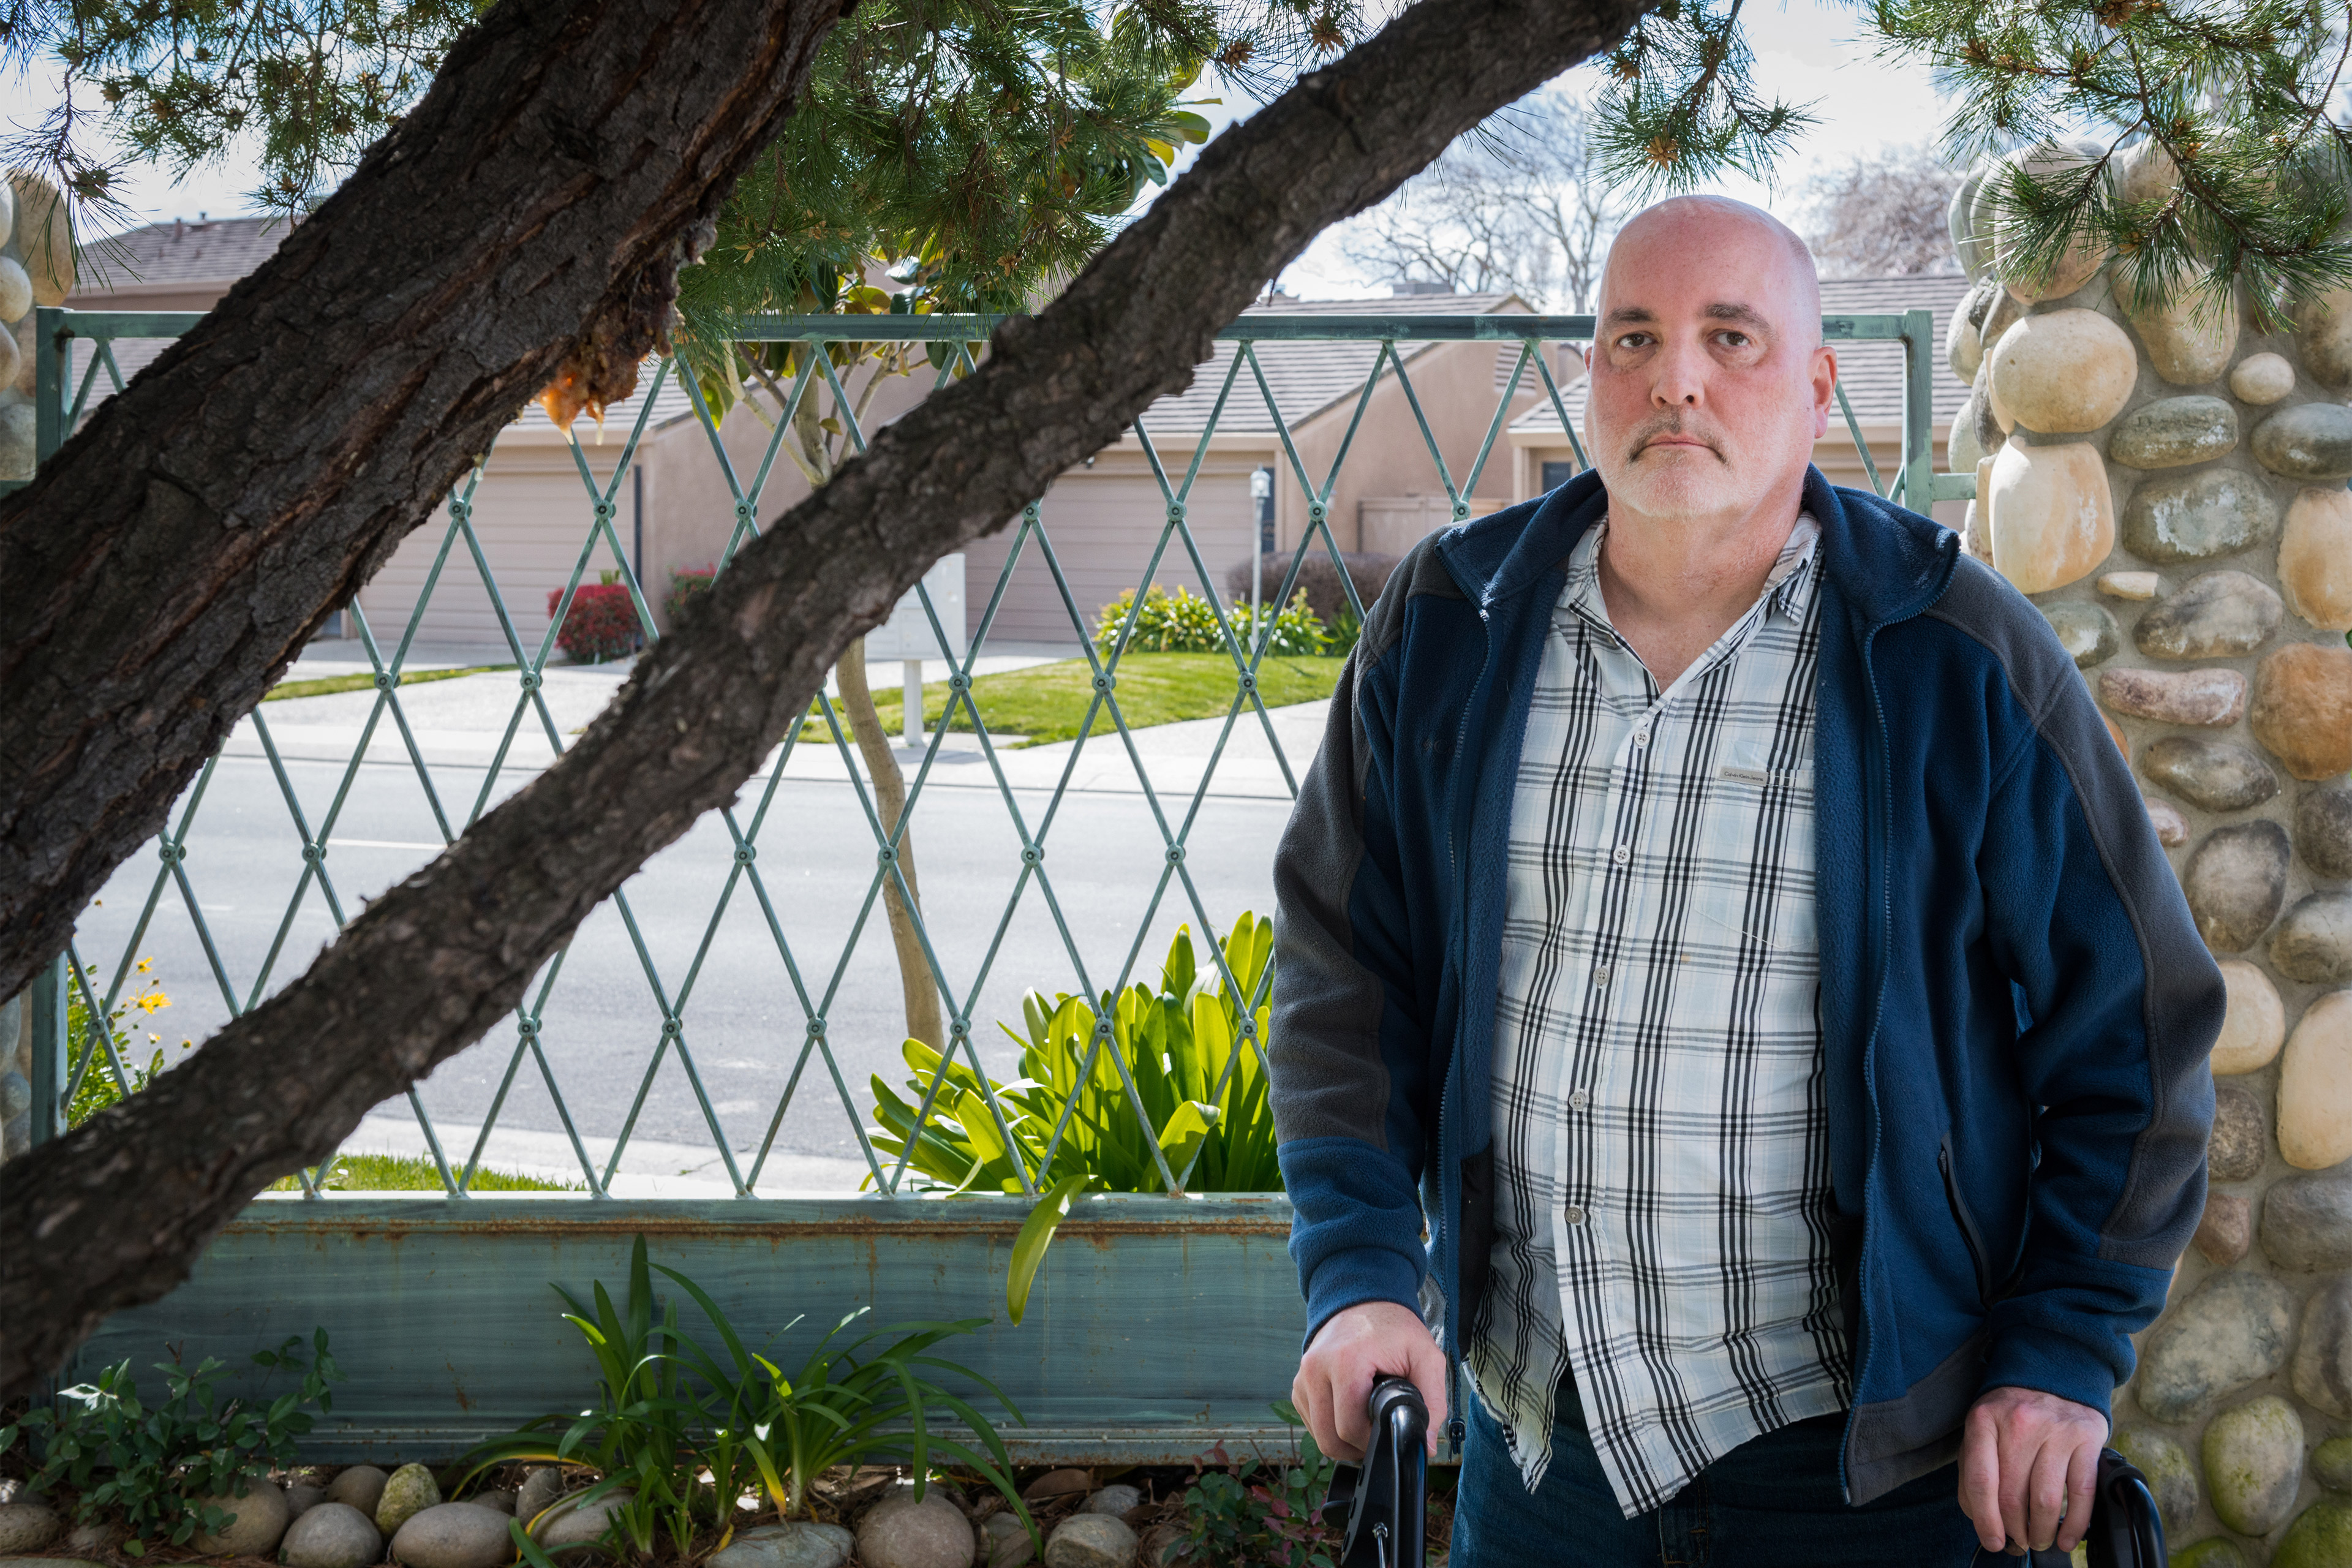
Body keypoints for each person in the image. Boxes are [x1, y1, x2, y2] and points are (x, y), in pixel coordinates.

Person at [1267, 195, 2222, 1566]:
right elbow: (1343, 978)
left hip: (1872, 1480)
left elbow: (2138, 1026)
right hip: (1545, 1472)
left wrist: (2064, 1344)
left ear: (1821, 386)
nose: (1678, 378)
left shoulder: (1955, 656)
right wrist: (1359, 1269)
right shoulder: (1444, 628)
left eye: (1731, 336)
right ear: (1589, 372)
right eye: (1635, 337)